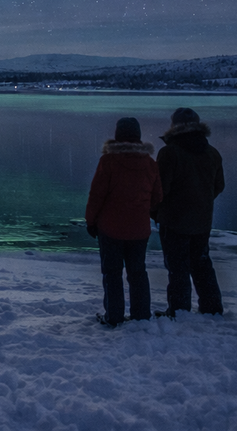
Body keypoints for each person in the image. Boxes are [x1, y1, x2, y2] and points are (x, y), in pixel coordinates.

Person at [84, 117, 162, 326]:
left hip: (111, 229)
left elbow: (96, 195)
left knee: (112, 273)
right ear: (138, 135)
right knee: (138, 273)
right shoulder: (150, 164)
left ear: (118, 135)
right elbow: (157, 198)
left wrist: (90, 221)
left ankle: (114, 316)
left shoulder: (108, 162)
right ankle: (141, 315)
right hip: (139, 230)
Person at [155, 107, 225, 316]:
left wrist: (157, 210)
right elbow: (219, 185)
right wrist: (201, 200)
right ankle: (212, 309)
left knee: (177, 267)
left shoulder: (169, 153)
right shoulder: (212, 153)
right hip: (202, 220)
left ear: (174, 126)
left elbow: (160, 190)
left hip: (174, 220)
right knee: (202, 264)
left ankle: (179, 310)